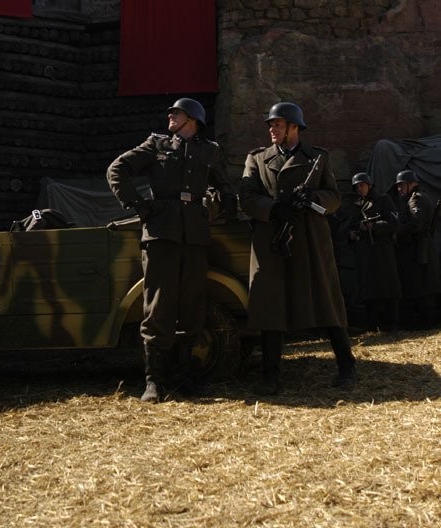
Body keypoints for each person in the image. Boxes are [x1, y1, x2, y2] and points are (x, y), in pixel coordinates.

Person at [106, 98, 237, 403]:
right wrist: (140, 206)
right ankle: (154, 381)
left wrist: (224, 206)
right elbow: (117, 169)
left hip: (195, 236)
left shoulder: (210, 150)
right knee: (158, 306)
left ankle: (185, 377)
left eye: (176, 113)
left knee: (192, 304)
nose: (170, 116)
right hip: (161, 233)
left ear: (192, 119)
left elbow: (223, 185)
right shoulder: (156, 144)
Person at [239, 102, 356, 395]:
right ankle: (270, 376)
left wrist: (313, 198)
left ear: (294, 127)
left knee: (326, 300)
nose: (272, 130)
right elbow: (247, 197)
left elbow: (334, 198)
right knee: (271, 305)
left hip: (309, 238)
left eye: (277, 124)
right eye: (270, 125)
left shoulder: (317, 157)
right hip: (272, 239)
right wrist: (274, 208)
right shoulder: (257, 158)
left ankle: (347, 367)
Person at [348, 172, 401, 331]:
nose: (359, 189)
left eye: (362, 185)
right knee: (369, 289)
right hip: (365, 252)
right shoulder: (357, 205)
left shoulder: (383, 200)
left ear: (369, 185)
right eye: (357, 187)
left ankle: (392, 323)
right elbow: (351, 225)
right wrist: (352, 233)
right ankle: (373, 324)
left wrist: (374, 226)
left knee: (387, 286)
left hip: (382, 250)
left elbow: (394, 223)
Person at [393, 169, 439, 328]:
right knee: (422, 284)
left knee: (421, 285)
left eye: (402, 185)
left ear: (411, 184)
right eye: (398, 186)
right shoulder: (421, 196)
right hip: (419, 246)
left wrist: (396, 231)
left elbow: (416, 223)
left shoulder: (416, 198)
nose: (399, 189)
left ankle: (426, 322)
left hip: (417, 248)